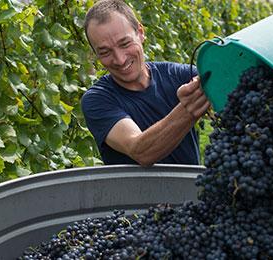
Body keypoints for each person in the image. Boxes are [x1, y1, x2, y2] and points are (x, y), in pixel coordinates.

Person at [80, 0, 211, 166]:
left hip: (190, 190)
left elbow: (228, 81)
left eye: (125, 44)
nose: (120, 60)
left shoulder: (176, 75)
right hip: (134, 193)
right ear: (95, 54)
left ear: (140, 33)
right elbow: (140, 151)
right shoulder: (97, 100)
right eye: (105, 52)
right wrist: (188, 110)